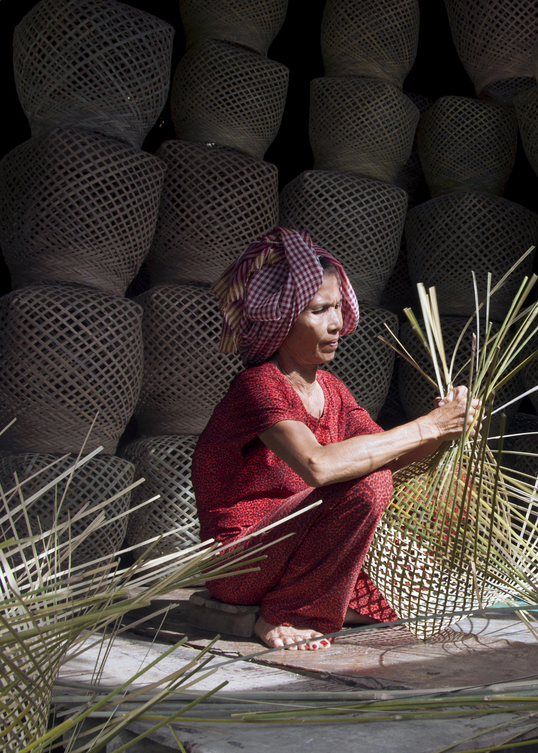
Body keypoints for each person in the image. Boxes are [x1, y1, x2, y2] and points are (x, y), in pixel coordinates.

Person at [192, 227, 480, 651]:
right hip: (242, 562)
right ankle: (286, 613)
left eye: (338, 307)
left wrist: (450, 424)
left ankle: (323, 602)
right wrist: (429, 426)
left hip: (300, 554)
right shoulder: (258, 385)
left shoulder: (332, 389)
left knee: (420, 597)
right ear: (282, 321)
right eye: (319, 310)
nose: (337, 324)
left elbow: (391, 456)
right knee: (369, 484)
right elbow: (318, 465)